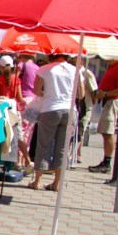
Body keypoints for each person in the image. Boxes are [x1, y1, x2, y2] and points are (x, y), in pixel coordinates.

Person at [28, 53, 82, 191]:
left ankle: (37, 181)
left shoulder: (45, 69)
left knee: (43, 145)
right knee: (63, 147)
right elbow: (81, 94)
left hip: (50, 109)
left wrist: (48, 94)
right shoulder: (75, 70)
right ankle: (56, 183)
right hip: (70, 110)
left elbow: (36, 90)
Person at [0, 55, 31, 168]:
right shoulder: (17, 80)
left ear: (0, 67)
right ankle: (28, 160)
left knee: (0, 135)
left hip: (1, 110)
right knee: (18, 136)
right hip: (14, 110)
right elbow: (19, 98)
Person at [88, 59, 118, 174]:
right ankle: (106, 162)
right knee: (105, 132)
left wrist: (106, 93)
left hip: (112, 102)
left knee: (108, 132)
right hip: (107, 102)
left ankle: (107, 163)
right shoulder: (112, 67)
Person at [75, 61, 99, 163]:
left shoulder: (87, 74)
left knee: (80, 130)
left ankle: (75, 154)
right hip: (74, 106)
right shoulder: (72, 71)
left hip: (85, 107)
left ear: (81, 61)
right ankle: (77, 153)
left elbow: (94, 91)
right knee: (76, 131)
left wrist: (92, 104)